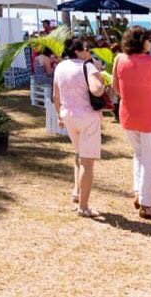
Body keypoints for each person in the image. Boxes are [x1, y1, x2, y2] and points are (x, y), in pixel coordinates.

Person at [112, 27, 151, 219]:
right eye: (150, 39)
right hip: (150, 115)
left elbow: (116, 89)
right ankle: (146, 204)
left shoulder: (119, 59)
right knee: (150, 161)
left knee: (138, 155)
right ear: (142, 41)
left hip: (129, 115)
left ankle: (139, 191)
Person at [53, 36, 106, 218]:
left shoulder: (60, 67)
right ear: (77, 50)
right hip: (87, 117)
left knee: (79, 154)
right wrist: (99, 76)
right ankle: (83, 206)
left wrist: (59, 115)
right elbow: (97, 90)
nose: (89, 51)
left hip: (68, 115)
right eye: (86, 48)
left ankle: (77, 192)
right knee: (87, 162)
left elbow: (56, 95)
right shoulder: (88, 66)